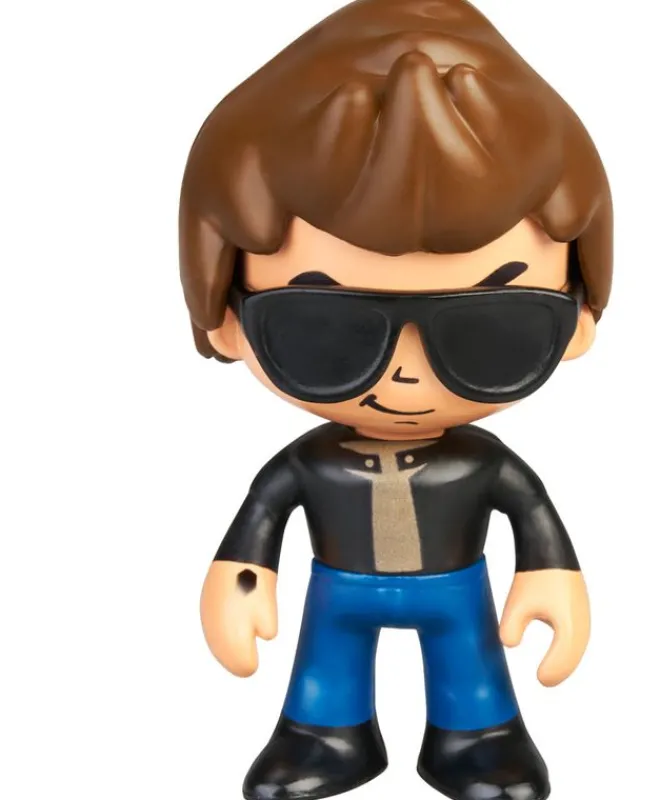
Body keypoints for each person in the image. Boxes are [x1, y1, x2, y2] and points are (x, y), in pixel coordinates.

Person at [179, 1, 613, 798]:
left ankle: (478, 736)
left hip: (458, 592)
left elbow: (533, 517)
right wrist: (242, 577)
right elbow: (260, 523)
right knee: (326, 668)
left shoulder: (485, 466)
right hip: (336, 590)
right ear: (229, 321)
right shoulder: (306, 466)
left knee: (472, 672)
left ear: (578, 319)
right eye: (324, 332)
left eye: (493, 332)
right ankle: (324, 736)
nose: (406, 376)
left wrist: (549, 575)